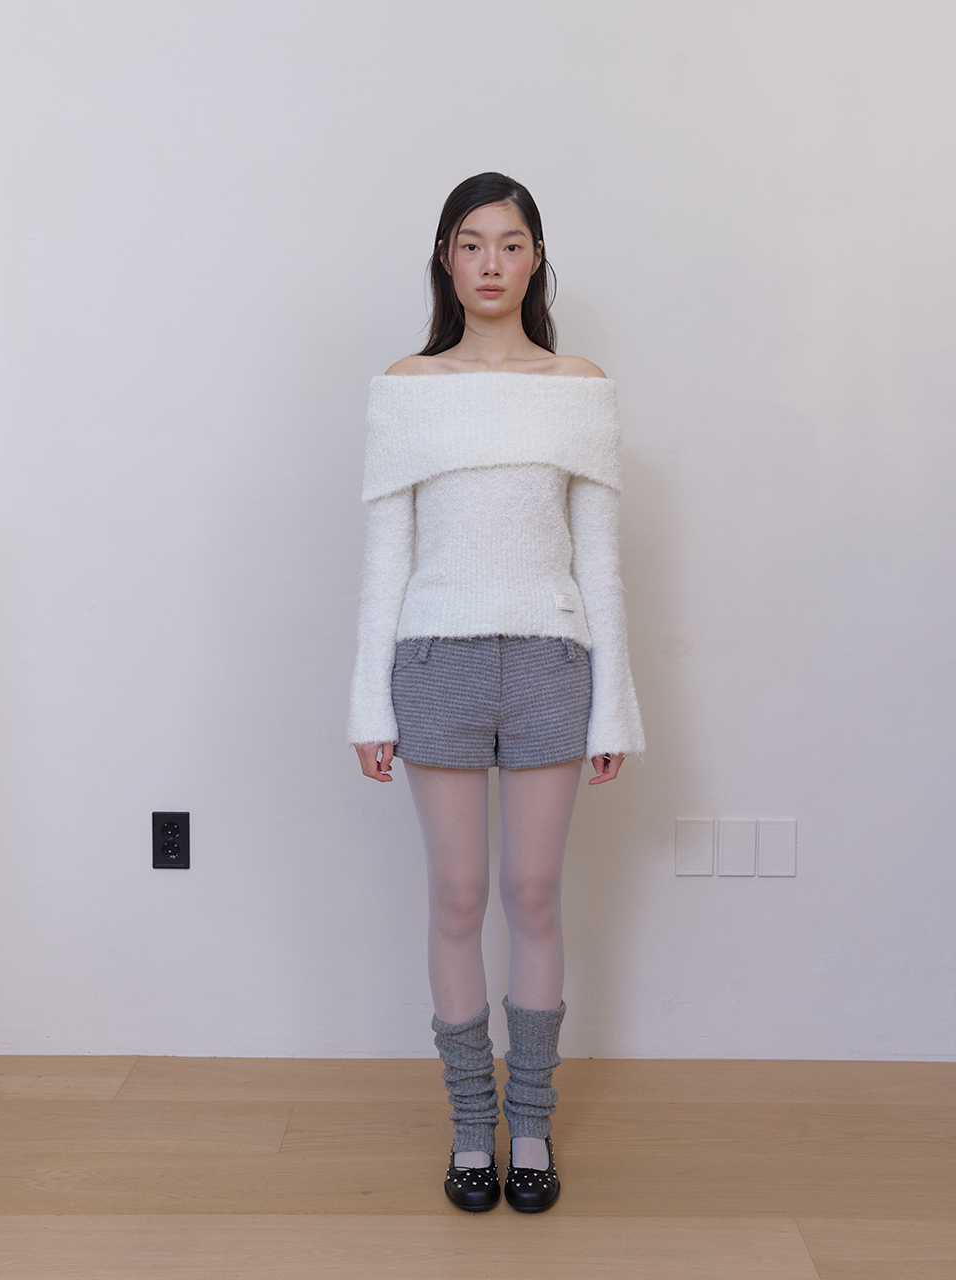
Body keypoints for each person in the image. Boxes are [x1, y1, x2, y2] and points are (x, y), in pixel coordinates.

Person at [349, 172, 643, 1213]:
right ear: (446, 257)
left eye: (510, 244)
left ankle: (530, 1124)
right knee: (459, 894)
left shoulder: (578, 385)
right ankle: (472, 1127)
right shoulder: (408, 386)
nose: (490, 263)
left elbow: (598, 560)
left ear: (536, 259)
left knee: (533, 892)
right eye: (471, 243)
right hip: (436, 663)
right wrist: (368, 705)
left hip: (553, 662)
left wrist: (615, 706)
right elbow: (385, 560)